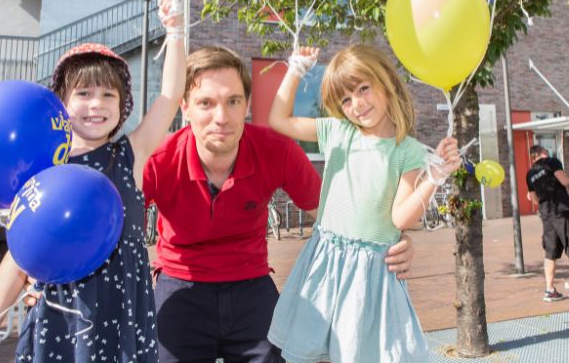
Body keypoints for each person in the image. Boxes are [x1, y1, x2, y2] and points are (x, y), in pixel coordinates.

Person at [143, 45, 416, 363]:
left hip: (249, 282)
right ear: (185, 107)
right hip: (181, 283)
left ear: (246, 104)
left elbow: (335, 216)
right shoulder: (159, 160)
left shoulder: (277, 151)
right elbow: (115, 230)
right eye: (206, 103)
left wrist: (396, 239)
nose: (222, 117)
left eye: (233, 101)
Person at [0, 0, 186, 363]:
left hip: (121, 315)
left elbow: (171, 95)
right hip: (60, 316)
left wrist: (175, 31)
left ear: (122, 104)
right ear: (61, 102)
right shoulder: (41, 170)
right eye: (84, 93)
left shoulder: (129, 154)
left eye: (109, 94)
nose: (97, 104)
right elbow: (19, 257)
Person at [265, 45, 461, 363]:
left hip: (371, 271)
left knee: (361, 352)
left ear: (384, 83)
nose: (357, 104)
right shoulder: (339, 132)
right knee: (315, 351)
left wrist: (434, 176)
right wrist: (297, 68)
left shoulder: (407, 150)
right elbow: (278, 118)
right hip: (326, 261)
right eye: (345, 99)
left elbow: (400, 218)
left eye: (363, 89)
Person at [526, 145, 569, 305]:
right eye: (546, 150)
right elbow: (565, 181)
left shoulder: (529, 174)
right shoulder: (551, 161)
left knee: (550, 252)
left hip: (546, 214)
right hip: (562, 211)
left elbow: (534, 199)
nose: (548, 152)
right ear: (541, 153)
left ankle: (549, 291)